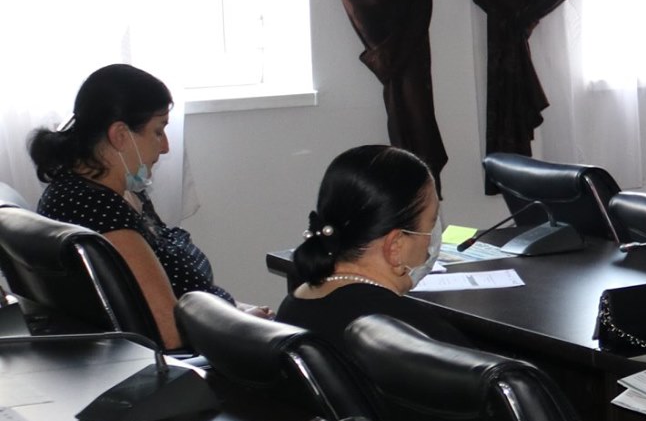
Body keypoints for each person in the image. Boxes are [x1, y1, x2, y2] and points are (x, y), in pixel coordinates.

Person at [30, 64, 246, 347]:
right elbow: (169, 332)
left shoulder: (112, 192)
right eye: (158, 131)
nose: (165, 146)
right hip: (194, 357)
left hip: (213, 326)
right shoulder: (99, 211)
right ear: (120, 135)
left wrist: (236, 312)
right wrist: (241, 330)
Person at [275, 144, 468, 350]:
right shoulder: (413, 330)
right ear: (395, 247)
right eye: (431, 223)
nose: (433, 237)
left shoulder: (293, 304)